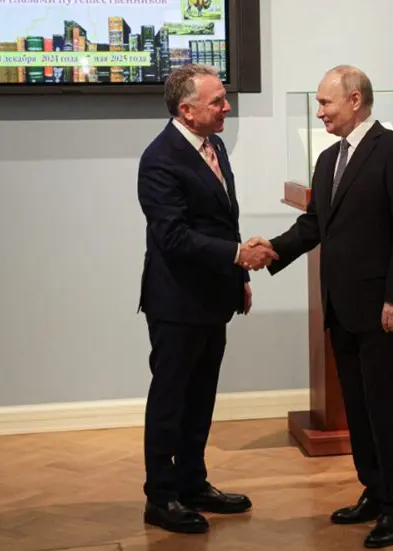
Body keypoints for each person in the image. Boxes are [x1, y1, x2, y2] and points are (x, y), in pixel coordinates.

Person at [244, 65, 393, 548]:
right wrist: (272, 250)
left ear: (355, 100)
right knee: (359, 409)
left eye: (326, 103)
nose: (320, 112)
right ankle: (374, 490)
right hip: (342, 307)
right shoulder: (328, 159)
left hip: (385, 310)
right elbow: (314, 225)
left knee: (387, 407)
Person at [137, 64, 278, 534]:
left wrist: (238, 276)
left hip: (213, 298)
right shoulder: (159, 159)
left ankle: (192, 484)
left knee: (200, 398)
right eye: (217, 101)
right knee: (170, 400)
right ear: (186, 110)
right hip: (176, 303)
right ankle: (161, 497)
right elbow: (174, 237)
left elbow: (220, 222)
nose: (227, 107)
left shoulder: (212, 145)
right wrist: (239, 256)